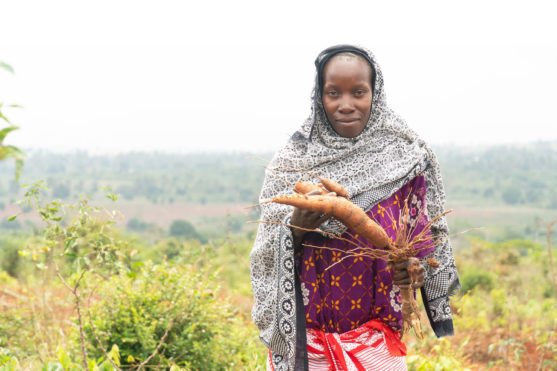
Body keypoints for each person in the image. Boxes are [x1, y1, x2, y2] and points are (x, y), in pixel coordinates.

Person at [250, 45, 460, 371]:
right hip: (307, 342)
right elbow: (265, 251)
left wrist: (415, 271)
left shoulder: (406, 157)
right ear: (318, 97)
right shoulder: (292, 159)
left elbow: (422, 245)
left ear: (376, 95)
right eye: (333, 93)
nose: (346, 105)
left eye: (358, 92)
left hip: (378, 341)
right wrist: (295, 228)